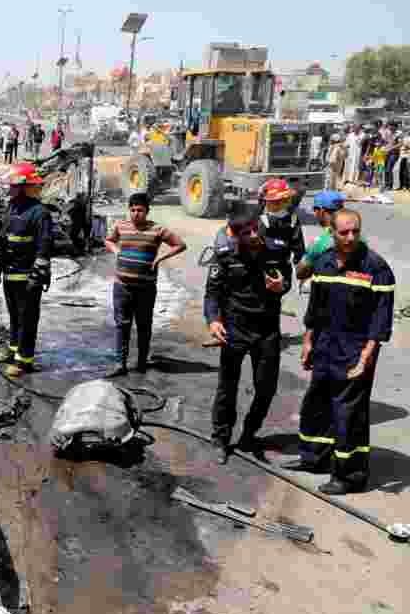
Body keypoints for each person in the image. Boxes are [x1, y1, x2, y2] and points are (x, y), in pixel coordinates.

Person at [284, 209, 395, 495]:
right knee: (316, 402)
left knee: (348, 413)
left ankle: (349, 476)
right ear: (331, 232)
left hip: (356, 351)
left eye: (355, 231)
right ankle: (314, 458)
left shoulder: (376, 268)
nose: (350, 237)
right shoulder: (323, 263)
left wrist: (365, 358)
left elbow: (380, 322)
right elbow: (315, 309)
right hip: (324, 344)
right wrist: (308, 341)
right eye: (344, 232)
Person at [204, 208, 293, 464]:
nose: (254, 235)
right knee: (227, 387)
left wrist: (282, 286)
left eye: (256, 228)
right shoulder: (225, 255)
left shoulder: (276, 250)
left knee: (266, 388)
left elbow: (287, 279)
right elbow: (212, 293)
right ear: (235, 234)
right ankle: (220, 438)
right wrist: (213, 321)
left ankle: (249, 433)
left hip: (267, 330)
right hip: (235, 329)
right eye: (247, 232)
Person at [104, 192, 188, 377]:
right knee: (121, 325)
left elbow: (180, 245)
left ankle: (141, 362)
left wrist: (160, 258)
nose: (135, 213)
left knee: (144, 325)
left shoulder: (157, 229)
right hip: (122, 286)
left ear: (147, 211)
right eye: (132, 210)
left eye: (140, 210)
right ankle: (120, 364)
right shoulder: (120, 226)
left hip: (145, 288)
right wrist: (116, 251)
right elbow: (108, 240)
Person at [0, 162, 55, 377]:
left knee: (27, 318)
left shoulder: (39, 212)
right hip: (10, 273)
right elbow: (2, 239)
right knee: (14, 317)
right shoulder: (11, 208)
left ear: (24, 187)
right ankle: (13, 349)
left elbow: (44, 246)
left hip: (28, 277)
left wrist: (39, 274)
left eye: (12, 186)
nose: (9, 189)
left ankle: (24, 361)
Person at [257, 179, 305, 268]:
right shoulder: (260, 219)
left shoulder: (259, 218)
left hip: (273, 267)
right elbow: (299, 249)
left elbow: (299, 249)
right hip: (266, 267)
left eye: (284, 201)